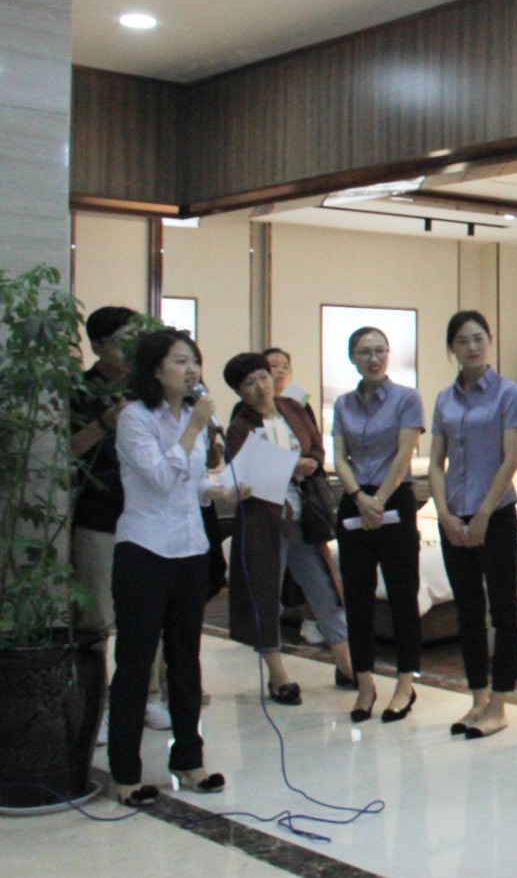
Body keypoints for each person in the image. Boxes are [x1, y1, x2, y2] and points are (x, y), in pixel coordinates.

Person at [107, 329, 244, 806]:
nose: (192, 371)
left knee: (186, 659)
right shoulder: (134, 419)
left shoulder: (193, 418)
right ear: (155, 370)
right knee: (136, 661)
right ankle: (125, 773)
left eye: (195, 362)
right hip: (145, 551)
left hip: (190, 550)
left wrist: (220, 488)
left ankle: (189, 758)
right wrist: (193, 429)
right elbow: (161, 478)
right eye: (181, 361)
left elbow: (190, 482)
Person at [223, 352, 354, 702]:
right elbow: (241, 474)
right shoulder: (240, 428)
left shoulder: (293, 408)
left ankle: (346, 664)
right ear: (239, 392)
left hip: (305, 516)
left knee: (324, 588)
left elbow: (316, 445)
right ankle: (278, 676)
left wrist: (310, 461)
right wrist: (285, 466)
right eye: (249, 383)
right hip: (265, 522)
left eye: (263, 378)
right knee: (265, 595)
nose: (260, 387)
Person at [71, 306, 172, 740]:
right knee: (95, 618)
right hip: (99, 514)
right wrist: (105, 422)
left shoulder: (146, 389)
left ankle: (149, 696)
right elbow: (66, 451)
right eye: (121, 342)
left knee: (147, 614)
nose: (130, 349)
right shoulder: (79, 390)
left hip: (146, 518)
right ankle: (97, 704)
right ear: (98, 346)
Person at [430, 310, 517, 739]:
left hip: (497, 514)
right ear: (451, 348)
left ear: (489, 341)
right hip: (453, 515)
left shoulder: (508, 393)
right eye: (462, 341)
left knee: (503, 610)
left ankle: (500, 705)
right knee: (467, 612)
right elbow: (436, 461)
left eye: (479, 339)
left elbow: (510, 459)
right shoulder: (444, 399)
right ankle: (476, 698)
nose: (472, 347)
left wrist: (484, 513)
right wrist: (445, 515)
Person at [330, 326, 425, 723]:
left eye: (380, 351)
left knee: (403, 595)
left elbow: (404, 454)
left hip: (395, 498)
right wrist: (359, 497)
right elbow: (339, 457)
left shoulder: (407, 398)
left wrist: (380, 500)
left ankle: (404, 683)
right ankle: (365, 682)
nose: (374, 359)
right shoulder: (343, 404)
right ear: (352, 357)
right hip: (355, 500)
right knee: (357, 597)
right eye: (365, 352)